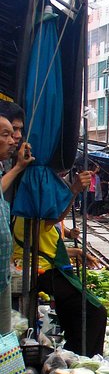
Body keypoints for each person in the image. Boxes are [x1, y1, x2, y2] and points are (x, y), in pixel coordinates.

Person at [12, 171, 108, 357]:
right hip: (41, 272)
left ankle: (73, 353)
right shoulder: (31, 215)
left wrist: (77, 252)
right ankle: (84, 359)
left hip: (47, 269)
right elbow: (55, 216)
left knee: (75, 309)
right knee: (95, 311)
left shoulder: (30, 215)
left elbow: (45, 248)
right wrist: (73, 191)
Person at [0, 110, 34, 334]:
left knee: (4, 339)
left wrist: (19, 167)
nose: (14, 140)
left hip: (2, 275)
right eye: (7, 134)